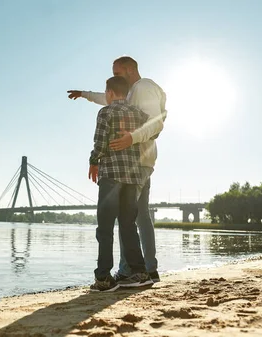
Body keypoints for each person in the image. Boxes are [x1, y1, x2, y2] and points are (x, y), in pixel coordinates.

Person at [69, 56, 167, 283]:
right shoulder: (131, 95)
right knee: (137, 217)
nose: (114, 77)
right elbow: (109, 99)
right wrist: (84, 94)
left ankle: (130, 270)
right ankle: (144, 269)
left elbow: (156, 123)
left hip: (137, 161)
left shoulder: (144, 87)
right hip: (134, 163)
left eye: (117, 73)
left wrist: (130, 138)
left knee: (128, 219)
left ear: (131, 70)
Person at [88, 75, 153, 292]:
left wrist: (93, 162)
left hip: (112, 176)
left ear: (109, 92)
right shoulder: (138, 113)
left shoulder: (106, 112)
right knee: (128, 226)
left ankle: (104, 279)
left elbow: (100, 143)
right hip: (133, 178)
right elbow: (154, 128)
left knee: (105, 229)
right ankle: (140, 272)